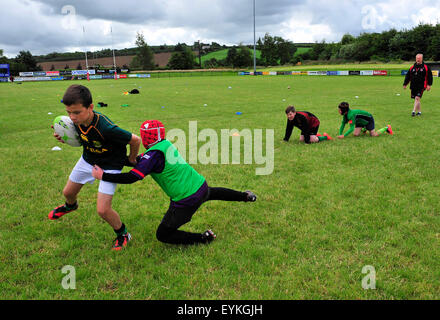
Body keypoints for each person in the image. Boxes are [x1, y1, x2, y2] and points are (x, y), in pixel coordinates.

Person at [92, 120, 257, 246]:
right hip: (200, 185)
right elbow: (138, 162)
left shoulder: (153, 154)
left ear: (144, 136)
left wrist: (103, 176)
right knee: (214, 193)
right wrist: (114, 158)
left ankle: (203, 238)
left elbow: (133, 177)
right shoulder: (164, 145)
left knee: (163, 235)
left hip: (186, 200)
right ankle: (246, 196)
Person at [49, 84, 141, 251]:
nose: (72, 117)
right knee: (68, 193)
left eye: (76, 112)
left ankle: (123, 234)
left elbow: (135, 140)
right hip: (88, 160)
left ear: (90, 107)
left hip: (110, 166)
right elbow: (81, 138)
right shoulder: (76, 121)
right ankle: (71, 206)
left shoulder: (106, 127)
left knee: (103, 210)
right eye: (69, 112)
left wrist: (132, 158)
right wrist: (65, 138)